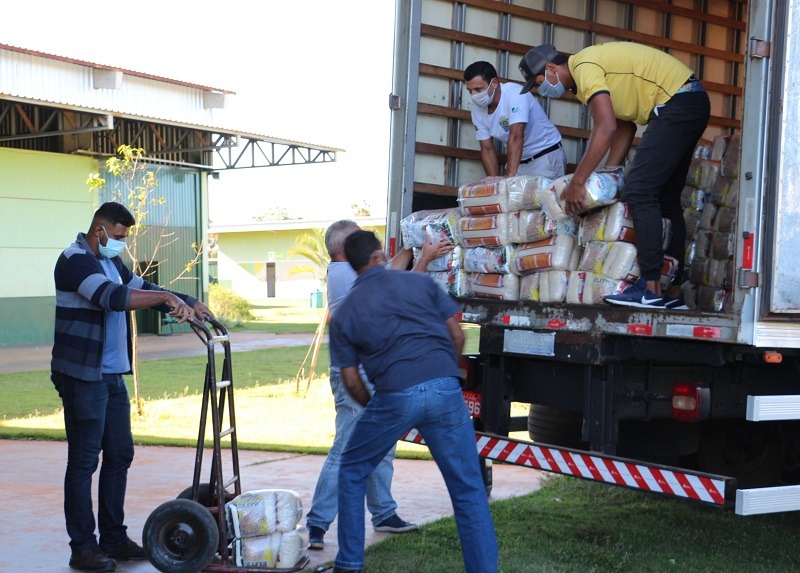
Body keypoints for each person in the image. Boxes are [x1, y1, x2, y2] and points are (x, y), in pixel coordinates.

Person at [51, 201, 214, 573]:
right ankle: (83, 548)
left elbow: (142, 287)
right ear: (100, 230)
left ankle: (113, 539)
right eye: (119, 236)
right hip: (81, 376)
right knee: (83, 461)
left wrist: (188, 301)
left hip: (110, 375)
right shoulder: (74, 259)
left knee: (120, 455)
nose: (121, 243)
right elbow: (111, 298)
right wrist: (164, 299)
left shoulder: (111, 262)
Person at [327, 230, 498, 573]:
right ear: (379, 256)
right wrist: (446, 375)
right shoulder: (420, 285)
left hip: (394, 396)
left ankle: (348, 564)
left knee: (351, 470)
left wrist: (376, 411)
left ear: (352, 265)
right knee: (468, 489)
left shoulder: (344, 313)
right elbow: (458, 334)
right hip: (446, 390)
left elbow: (350, 380)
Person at [518, 42, 710, 309]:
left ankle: (650, 290)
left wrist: (578, 182)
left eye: (539, 83)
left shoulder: (584, 67)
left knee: (640, 191)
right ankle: (673, 292)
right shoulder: (587, 77)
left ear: (551, 68)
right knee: (665, 198)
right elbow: (624, 127)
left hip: (677, 102)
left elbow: (605, 127)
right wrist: (606, 180)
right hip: (690, 100)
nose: (542, 91)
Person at [305, 220, 453, 550]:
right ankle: (317, 523)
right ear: (346, 250)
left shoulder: (352, 270)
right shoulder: (343, 273)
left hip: (374, 372)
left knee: (383, 444)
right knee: (346, 447)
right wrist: (425, 260)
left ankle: (384, 513)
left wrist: (411, 247)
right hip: (354, 375)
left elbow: (389, 271)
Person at [464, 60, 566, 179]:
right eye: (470, 90)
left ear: (494, 83)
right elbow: (487, 148)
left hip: (544, 157)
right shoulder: (477, 111)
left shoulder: (516, 94)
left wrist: (509, 176)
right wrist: (493, 182)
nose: (473, 95)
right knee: (507, 195)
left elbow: (516, 136)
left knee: (546, 197)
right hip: (519, 162)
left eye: (478, 89)